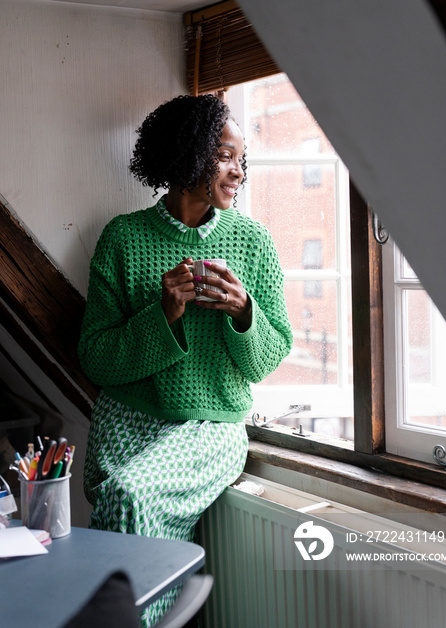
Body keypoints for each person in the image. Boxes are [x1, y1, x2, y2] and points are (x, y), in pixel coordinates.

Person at [78, 94, 293, 626]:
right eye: (225, 155)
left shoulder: (253, 242)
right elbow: (96, 359)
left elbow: (268, 357)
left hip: (210, 424)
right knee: (115, 503)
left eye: (243, 159)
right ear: (188, 154)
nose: (238, 171)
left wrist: (244, 312)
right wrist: (164, 314)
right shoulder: (123, 239)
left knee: (129, 498)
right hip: (128, 421)